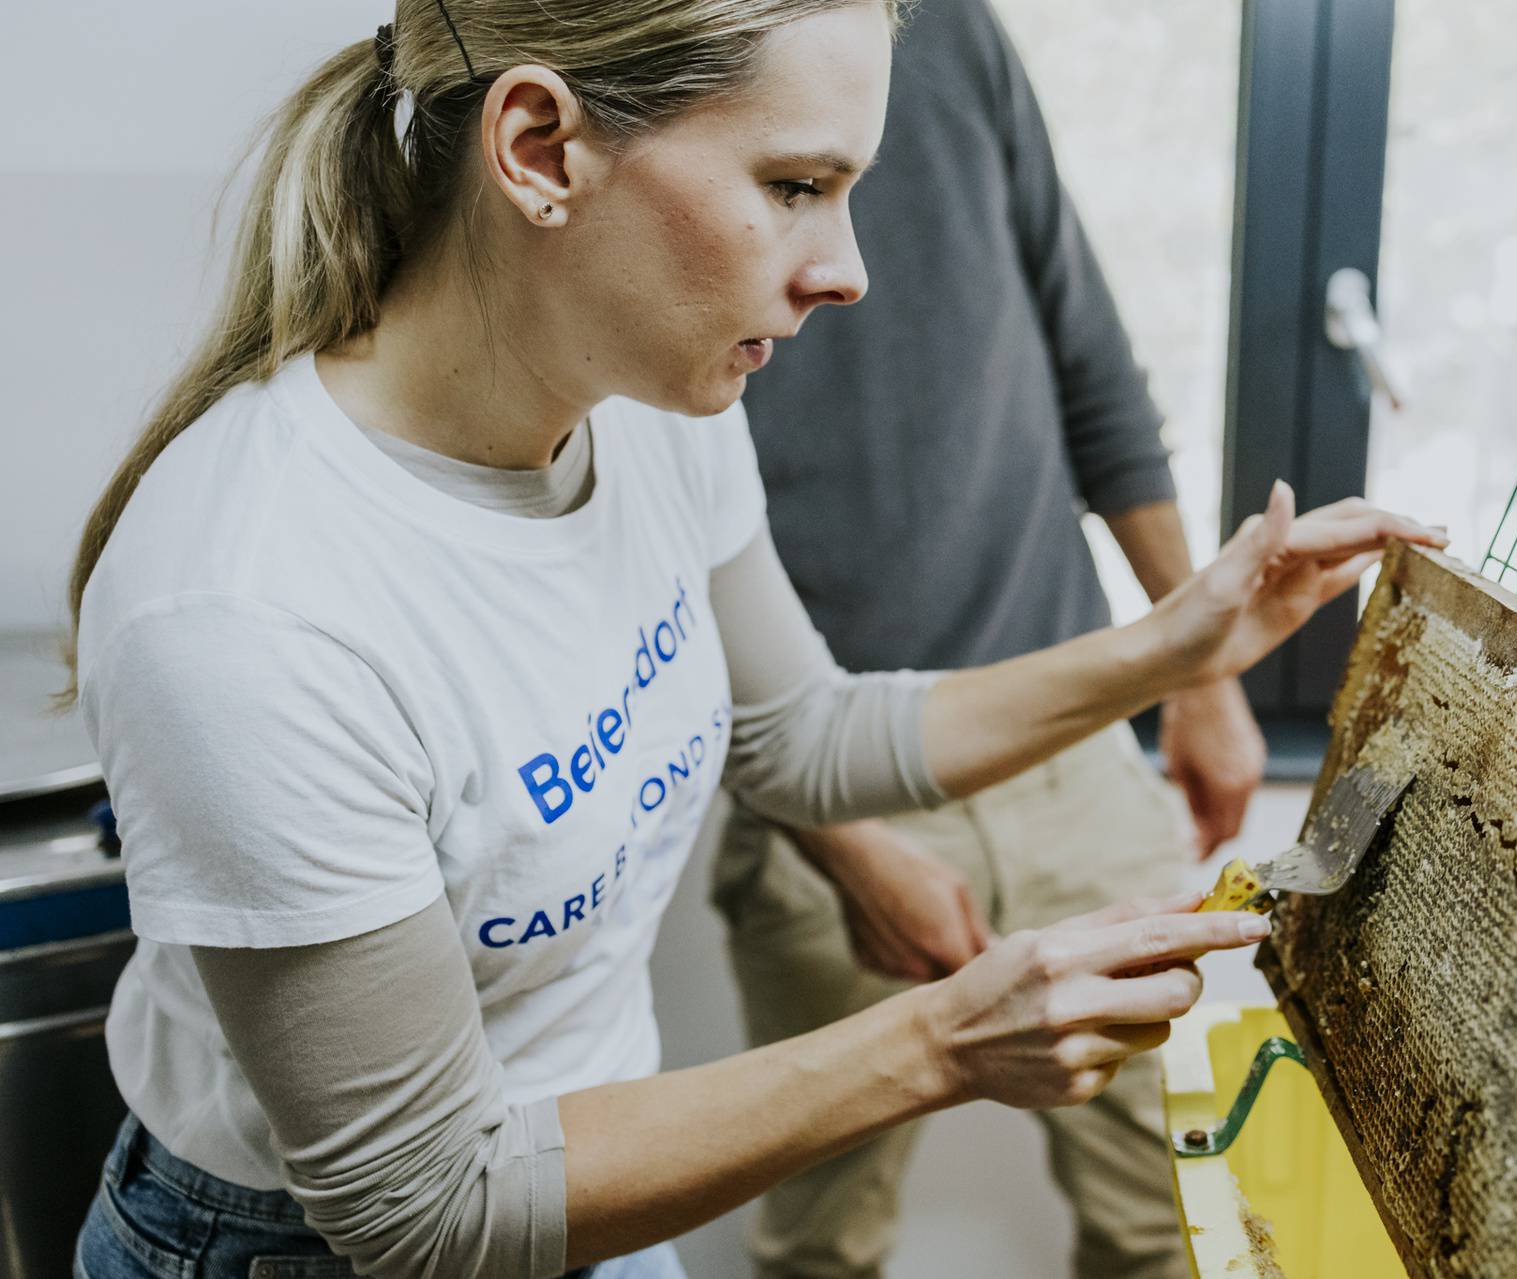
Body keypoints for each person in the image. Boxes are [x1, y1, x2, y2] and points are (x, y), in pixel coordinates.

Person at [64, 3, 1443, 1278]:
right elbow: (428, 1197)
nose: (848, 272)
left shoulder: (645, 417)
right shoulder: (248, 611)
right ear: (541, 147)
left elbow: (803, 732)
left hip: (590, 1172)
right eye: (794, 188)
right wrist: (942, 1037)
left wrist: (1179, 640)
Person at [711, 3, 1271, 1275]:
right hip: (824, 797)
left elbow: (1093, 369)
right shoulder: (657, 67)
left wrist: (1206, 679)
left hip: (1075, 763)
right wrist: (842, 844)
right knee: (822, 1245)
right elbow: (655, 576)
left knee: (1172, 1224)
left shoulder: (949, 29)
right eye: (798, 187)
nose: (835, 265)